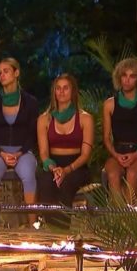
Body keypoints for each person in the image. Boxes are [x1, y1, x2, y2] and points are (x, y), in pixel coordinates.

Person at [0, 58, 38, 228]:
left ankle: (33, 226)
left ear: (16, 73)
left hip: (23, 151)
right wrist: (1, 153)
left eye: (6, 71)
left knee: (28, 174)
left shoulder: (30, 102)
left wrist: (20, 153)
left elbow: (33, 134)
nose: (2, 75)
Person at [37, 73, 94, 211]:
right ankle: (50, 224)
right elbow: (44, 153)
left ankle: (63, 224)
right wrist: (54, 169)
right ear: (54, 92)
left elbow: (85, 155)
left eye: (65, 88)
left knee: (66, 183)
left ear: (73, 91)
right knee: (45, 182)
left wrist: (66, 170)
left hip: (77, 166)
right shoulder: (44, 119)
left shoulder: (85, 119)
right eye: (58, 88)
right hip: (53, 164)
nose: (61, 91)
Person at [103, 58, 137, 202]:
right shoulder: (109, 104)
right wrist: (116, 155)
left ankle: (129, 214)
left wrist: (136, 155)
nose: (127, 80)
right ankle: (117, 213)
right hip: (117, 152)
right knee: (113, 174)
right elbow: (106, 138)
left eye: (132, 76)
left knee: (132, 174)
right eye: (124, 75)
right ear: (119, 77)